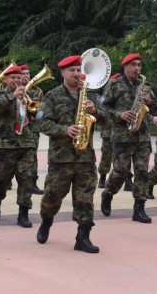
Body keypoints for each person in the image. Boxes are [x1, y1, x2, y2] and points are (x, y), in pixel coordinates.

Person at [36, 55, 110, 253]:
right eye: (72, 70)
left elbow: (108, 121)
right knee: (52, 197)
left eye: (79, 69)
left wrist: (97, 111)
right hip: (61, 158)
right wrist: (64, 129)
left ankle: (82, 237)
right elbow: (42, 122)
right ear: (62, 72)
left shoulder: (91, 96)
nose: (76, 73)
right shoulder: (52, 96)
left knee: (85, 199)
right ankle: (46, 221)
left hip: (85, 158)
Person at [100, 53, 157, 223]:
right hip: (121, 136)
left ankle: (139, 208)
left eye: (139, 65)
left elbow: (156, 110)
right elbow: (102, 108)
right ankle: (108, 193)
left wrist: (150, 103)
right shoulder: (114, 85)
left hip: (142, 136)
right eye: (134, 65)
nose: (137, 68)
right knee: (121, 171)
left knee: (142, 172)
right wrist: (119, 114)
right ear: (125, 66)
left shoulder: (145, 85)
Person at [0, 65, 36, 226]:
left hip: (26, 143)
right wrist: (13, 97)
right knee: (2, 179)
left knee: (26, 178)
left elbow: (37, 117)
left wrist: (31, 107)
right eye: (13, 78)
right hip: (5, 144)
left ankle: (23, 213)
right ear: (6, 80)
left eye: (18, 77)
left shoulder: (28, 95)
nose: (16, 80)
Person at [21, 64, 44, 195]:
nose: (26, 76)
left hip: (33, 127)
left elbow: (40, 109)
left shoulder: (37, 92)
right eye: (23, 73)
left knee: (33, 156)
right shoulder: (12, 89)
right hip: (17, 127)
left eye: (27, 73)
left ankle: (33, 183)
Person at [97, 72, 121, 188]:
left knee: (123, 156)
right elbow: (103, 111)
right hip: (108, 131)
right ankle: (102, 178)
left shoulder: (123, 96)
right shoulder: (105, 97)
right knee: (106, 156)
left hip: (122, 131)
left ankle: (127, 180)